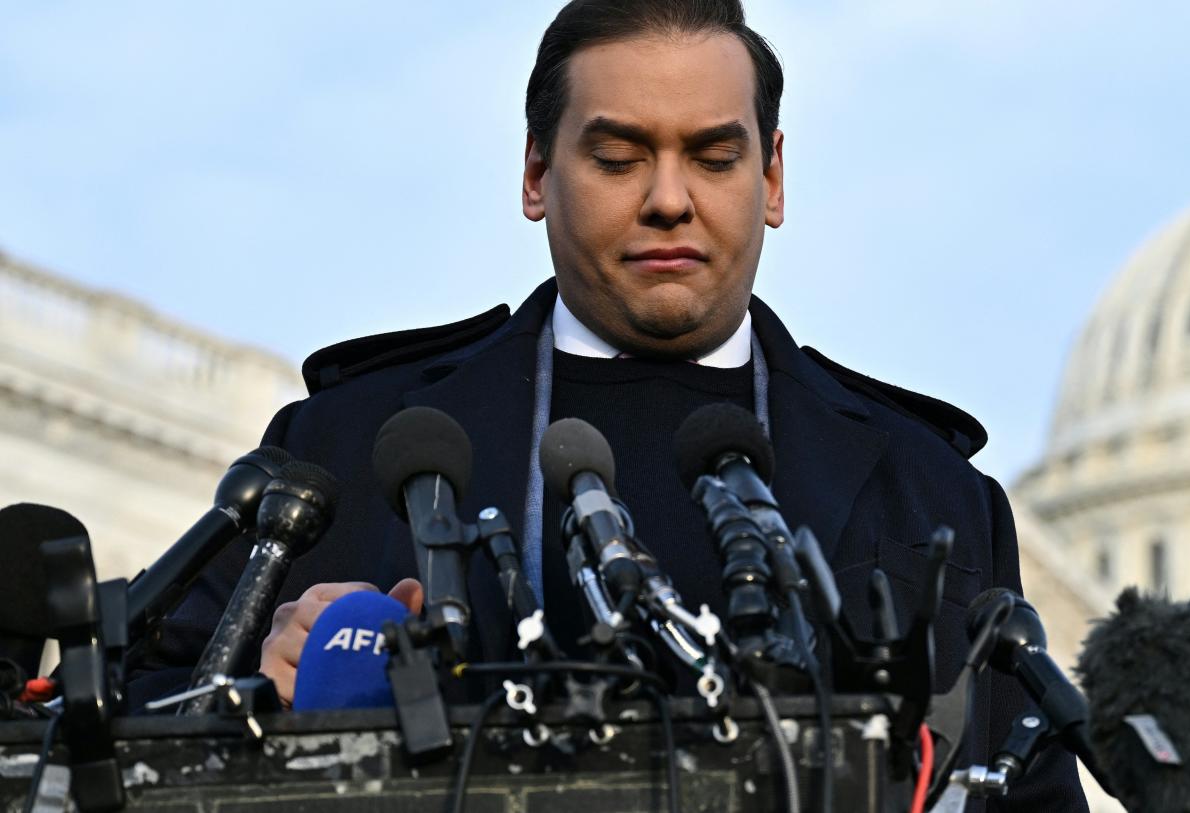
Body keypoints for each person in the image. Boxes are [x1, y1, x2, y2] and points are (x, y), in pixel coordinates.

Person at [129, 1, 1088, 808]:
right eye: (621, 157)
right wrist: (264, 686)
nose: (670, 199)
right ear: (537, 175)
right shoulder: (343, 441)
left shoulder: (935, 492)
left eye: (714, 157)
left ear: (774, 178)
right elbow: (123, 734)